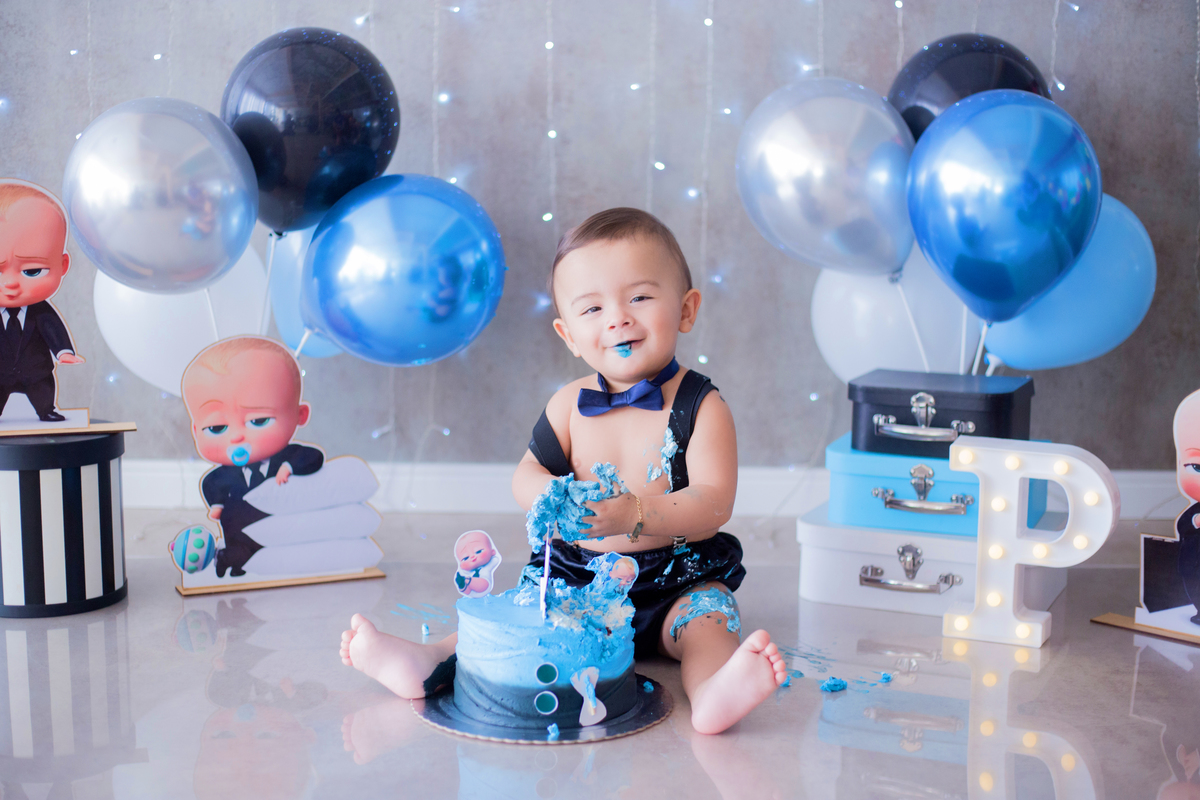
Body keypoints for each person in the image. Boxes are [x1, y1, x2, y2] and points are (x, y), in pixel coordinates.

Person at [341, 208, 785, 736]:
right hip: (578, 578)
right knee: (517, 626)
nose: (617, 318)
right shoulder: (569, 404)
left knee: (710, 623)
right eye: (592, 308)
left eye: (639, 297)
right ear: (569, 334)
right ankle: (429, 662)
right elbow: (526, 473)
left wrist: (636, 512)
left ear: (686, 309)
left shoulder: (700, 405)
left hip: (676, 580)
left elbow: (715, 502)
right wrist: (554, 494)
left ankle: (713, 691)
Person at [182, 336, 324, 578]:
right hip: (238, 535)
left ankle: (239, 560)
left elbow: (313, 457)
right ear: (196, 430)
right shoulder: (225, 474)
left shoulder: (288, 457)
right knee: (239, 554)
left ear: (300, 415)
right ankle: (229, 561)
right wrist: (217, 504)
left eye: (258, 421)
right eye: (218, 428)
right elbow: (211, 483)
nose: (237, 436)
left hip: (281, 534)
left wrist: (289, 466)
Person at [0, 181, 84, 422]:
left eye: (32, 271)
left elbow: (53, 329)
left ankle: (46, 410)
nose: (10, 284)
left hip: (35, 369)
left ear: (63, 265)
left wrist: (63, 352)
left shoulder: (41, 312)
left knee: (43, 391)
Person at [1174, 390, 1200, 625]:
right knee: (1192, 579)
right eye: (1197, 468)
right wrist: (1193, 523)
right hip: (1192, 563)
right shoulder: (1195, 512)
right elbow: (1183, 526)